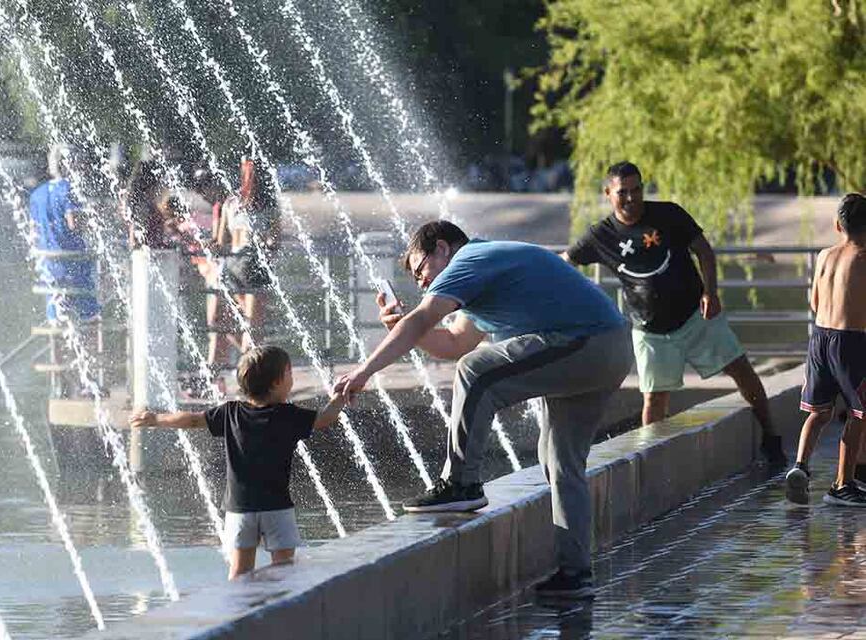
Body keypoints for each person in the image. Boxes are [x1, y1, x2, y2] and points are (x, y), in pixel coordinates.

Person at [333, 220, 633, 598]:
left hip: (587, 341)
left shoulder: (471, 257)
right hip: (608, 348)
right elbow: (455, 341)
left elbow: (426, 321)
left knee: (475, 371)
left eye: (421, 269)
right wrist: (405, 325)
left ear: (442, 248)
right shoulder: (483, 275)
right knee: (560, 461)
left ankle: (461, 482)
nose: (422, 283)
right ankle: (575, 574)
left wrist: (364, 371)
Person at [563, 161, 786, 466]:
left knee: (741, 370)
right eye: (622, 192)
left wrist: (710, 291)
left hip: (697, 316)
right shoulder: (600, 235)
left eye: (636, 190)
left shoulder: (668, 214)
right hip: (650, 331)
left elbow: (704, 251)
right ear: (608, 193)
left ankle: (771, 437)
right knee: (654, 397)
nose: (630, 198)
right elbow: (565, 263)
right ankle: (649, 461)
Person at [130, 346, 347, 579]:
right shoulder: (288, 415)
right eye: (289, 373)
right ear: (276, 382)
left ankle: (237, 610)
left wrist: (156, 419)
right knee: (284, 569)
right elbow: (325, 419)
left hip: (239, 508)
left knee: (239, 571)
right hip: (277, 506)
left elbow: (192, 421)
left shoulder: (231, 413)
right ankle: (279, 611)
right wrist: (340, 398)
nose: (292, 379)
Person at [785, 193, 866, 507]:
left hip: (820, 338)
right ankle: (842, 484)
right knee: (859, 414)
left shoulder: (824, 255)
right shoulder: (863, 257)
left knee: (819, 412)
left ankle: (800, 466)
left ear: (837, 225)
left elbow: (815, 302)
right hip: (852, 342)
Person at [209, 156, 281, 360]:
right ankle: (251, 371)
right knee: (253, 326)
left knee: (228, 323)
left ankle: (246, 364)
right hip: (254, 264)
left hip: (231, 266)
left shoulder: (230, 203)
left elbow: (221, 242)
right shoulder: (268, 206)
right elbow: (275, 242)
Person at [29, 145, 100, 324]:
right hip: (72, 260)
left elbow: (34, 232)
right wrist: (93, 221)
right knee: (87, 288)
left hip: (50, 262)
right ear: (69, 163)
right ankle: (88, 315)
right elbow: (73, 224)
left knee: (56, 301)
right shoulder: (69, 189)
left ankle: (56, 315)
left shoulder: (36, 194)